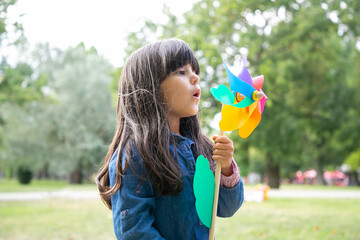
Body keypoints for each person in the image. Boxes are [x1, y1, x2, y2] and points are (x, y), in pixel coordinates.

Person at [96, 38, 244, 240]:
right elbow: (134, 231)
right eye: (181, 72)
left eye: (195, 72)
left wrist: (226, 168)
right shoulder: (136, 154)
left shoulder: (201, 147)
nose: (195, 78)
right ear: (151, 88)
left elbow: (226, 208)